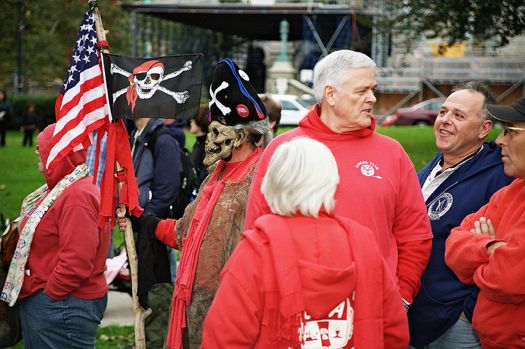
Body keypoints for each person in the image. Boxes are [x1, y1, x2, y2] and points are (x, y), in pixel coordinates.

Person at [244, 49, 433, 309]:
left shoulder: (392, 153)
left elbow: (415, 235)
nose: (372, 98)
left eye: (373, 89)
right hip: (296, 311)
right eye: (361, 91)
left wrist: (402, 295)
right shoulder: (284, 150)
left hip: (375, 308)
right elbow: (256, 231)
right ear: (331, 95)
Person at [118, 58, 272, 349]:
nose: (210, 133)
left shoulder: (262, 176)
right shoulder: (214, 176)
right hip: (192, 309)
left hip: (235, 314)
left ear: (241, 135)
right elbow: (186, 233)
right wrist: (145, 221)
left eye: (220, 125)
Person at [201, 137, 409, 348]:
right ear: (333, 182)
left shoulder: (257, 250)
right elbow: (394, 333)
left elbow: (222, 338)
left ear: (274, 182)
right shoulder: (363, 245)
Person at [408, 82, 514, 349]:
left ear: (484, 130)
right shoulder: (432, 167)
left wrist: (467, 312)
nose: (445, 121)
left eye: (459, 115)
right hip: (414, 313)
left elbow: (504, 255)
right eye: (443, 112)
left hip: (455, 323)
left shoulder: (500, 177)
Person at [0, 123, 111, 348]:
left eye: (42, 149)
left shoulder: (77, 196)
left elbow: (77, 261)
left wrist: (49, 296)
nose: (36, 154)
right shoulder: (62, 188)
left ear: (57, 155)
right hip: (54, 303)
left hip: (63, 306)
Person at [445, 97, 525, 349]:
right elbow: (453, 246)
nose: (499, 140)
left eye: (510, 131)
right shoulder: (511, 192)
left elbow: (507, 281)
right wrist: (490, 248)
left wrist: (478, 262)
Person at [131, 117, 182, 349]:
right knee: (144, 293)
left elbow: (167, 189)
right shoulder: (138, 135)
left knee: (159, 294)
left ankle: (161, 342)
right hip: (143, 227)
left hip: (157, 232)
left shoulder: (163, 139)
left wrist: (146, 220)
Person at [189, 104, 210, 187]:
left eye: (193, 118)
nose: (190, 121)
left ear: (200, 121)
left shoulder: (207, 146)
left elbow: (204, 177)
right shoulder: (198, 143)